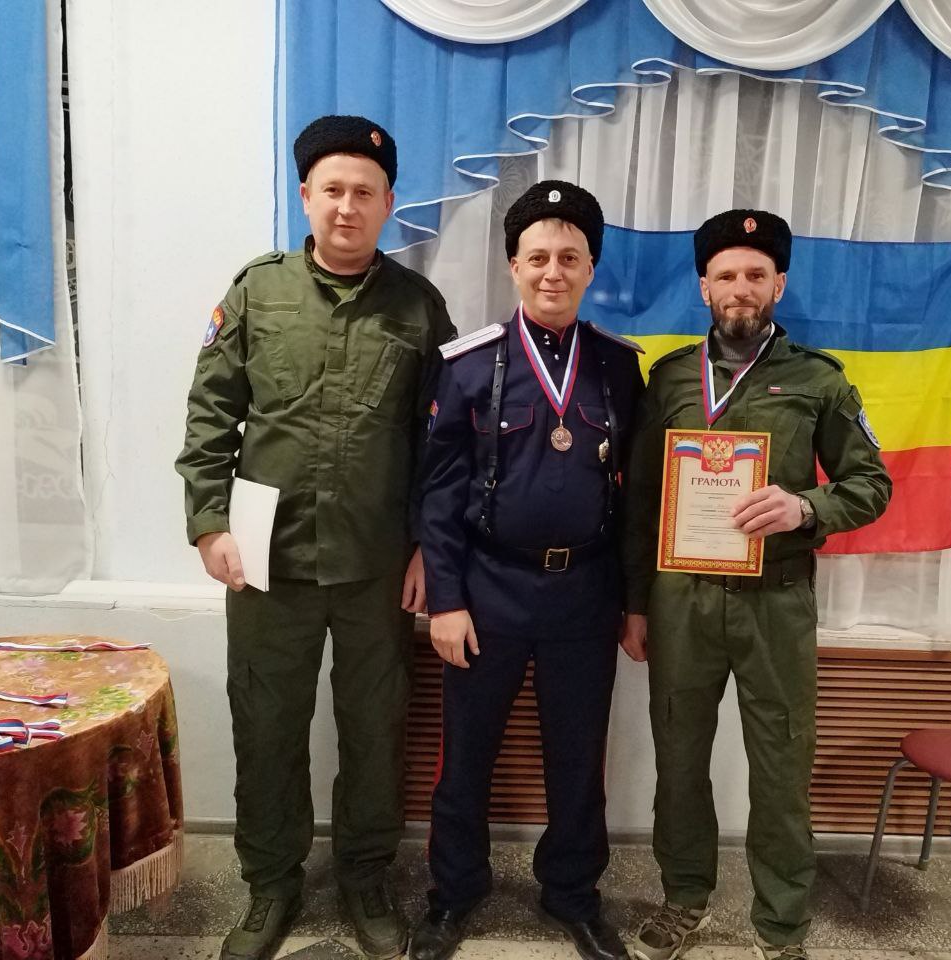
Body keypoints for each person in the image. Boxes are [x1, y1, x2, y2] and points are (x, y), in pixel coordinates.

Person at [175, 114, 456, 960]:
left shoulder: (418, 307)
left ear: (388, 204)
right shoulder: (257, 293)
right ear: (306, 195)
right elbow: (210, 415)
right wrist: (209, 525)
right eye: (332, 189)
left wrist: (427, 548)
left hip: (377, 564)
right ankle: (271, 884)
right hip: (269, 560)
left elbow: (444, 443)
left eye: (364, 192)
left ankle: (366, 877)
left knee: (375, 729)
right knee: (266, 727)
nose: (347, 206)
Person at [621, 209, 892, 960]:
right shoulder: (670, 378)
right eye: (726, 275)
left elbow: (871, 484)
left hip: (776, 601)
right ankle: (684, 900)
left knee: (781, 767)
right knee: (679, 761)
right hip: (681, 601)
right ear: (704, 287)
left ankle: (781, 928)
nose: (740, 287)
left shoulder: (818, 380)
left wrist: (806, 506)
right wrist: (635, 604)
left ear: (779, 285)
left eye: (756, 274)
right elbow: (640, 501)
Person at [409, 180, 645, 960]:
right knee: (465, 756)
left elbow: (636, 497)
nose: (553, 271)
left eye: (570, 258)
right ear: (514, 266)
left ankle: (572, 894)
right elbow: (439, 494)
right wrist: (446, 601)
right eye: (538, 257)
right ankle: (454, 894)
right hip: (489, 593)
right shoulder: (470, 365)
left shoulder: (618, 367)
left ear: (590, 268)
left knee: (578, 761)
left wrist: (635, 602)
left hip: (585, 593)